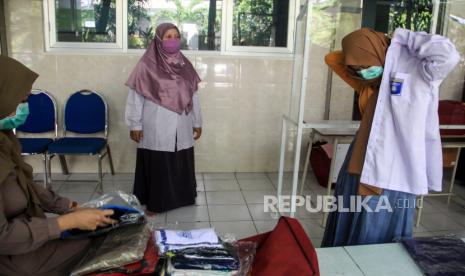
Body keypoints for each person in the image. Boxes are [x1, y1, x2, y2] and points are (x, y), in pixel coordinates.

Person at [321, 27, 459, 247]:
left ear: (381, 52)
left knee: (378, 219)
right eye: (357, 68)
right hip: (358, 162)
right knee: (349, 211)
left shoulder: (419, 72)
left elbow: (448, 55)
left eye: (366, 65)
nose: (363, 71)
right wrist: (360, 59)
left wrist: (399, 39)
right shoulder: (368, 85)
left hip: (395, 164)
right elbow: (332, 59)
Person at [0, 56, 117, 276]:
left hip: (27, 240)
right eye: (21, 100)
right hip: (13, 258)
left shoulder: (5, 142)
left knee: (108, 230)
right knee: (101, 244)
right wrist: (65, 223)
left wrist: (69, 207)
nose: (26, 108)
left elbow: (25, 187)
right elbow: (3, 238)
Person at [125, 23, 202, 213]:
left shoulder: (185, 65)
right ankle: (157, 200)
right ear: (158, 39)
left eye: (176, 36)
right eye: (168, 36)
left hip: (182, 121)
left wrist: (197, 121)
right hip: (155, 122)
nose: (173, 40)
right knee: (159, 160)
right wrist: (135, 124)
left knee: (179, 158)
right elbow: (136, 96)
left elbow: (193, 95)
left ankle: (182, 197)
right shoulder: (146, 65)